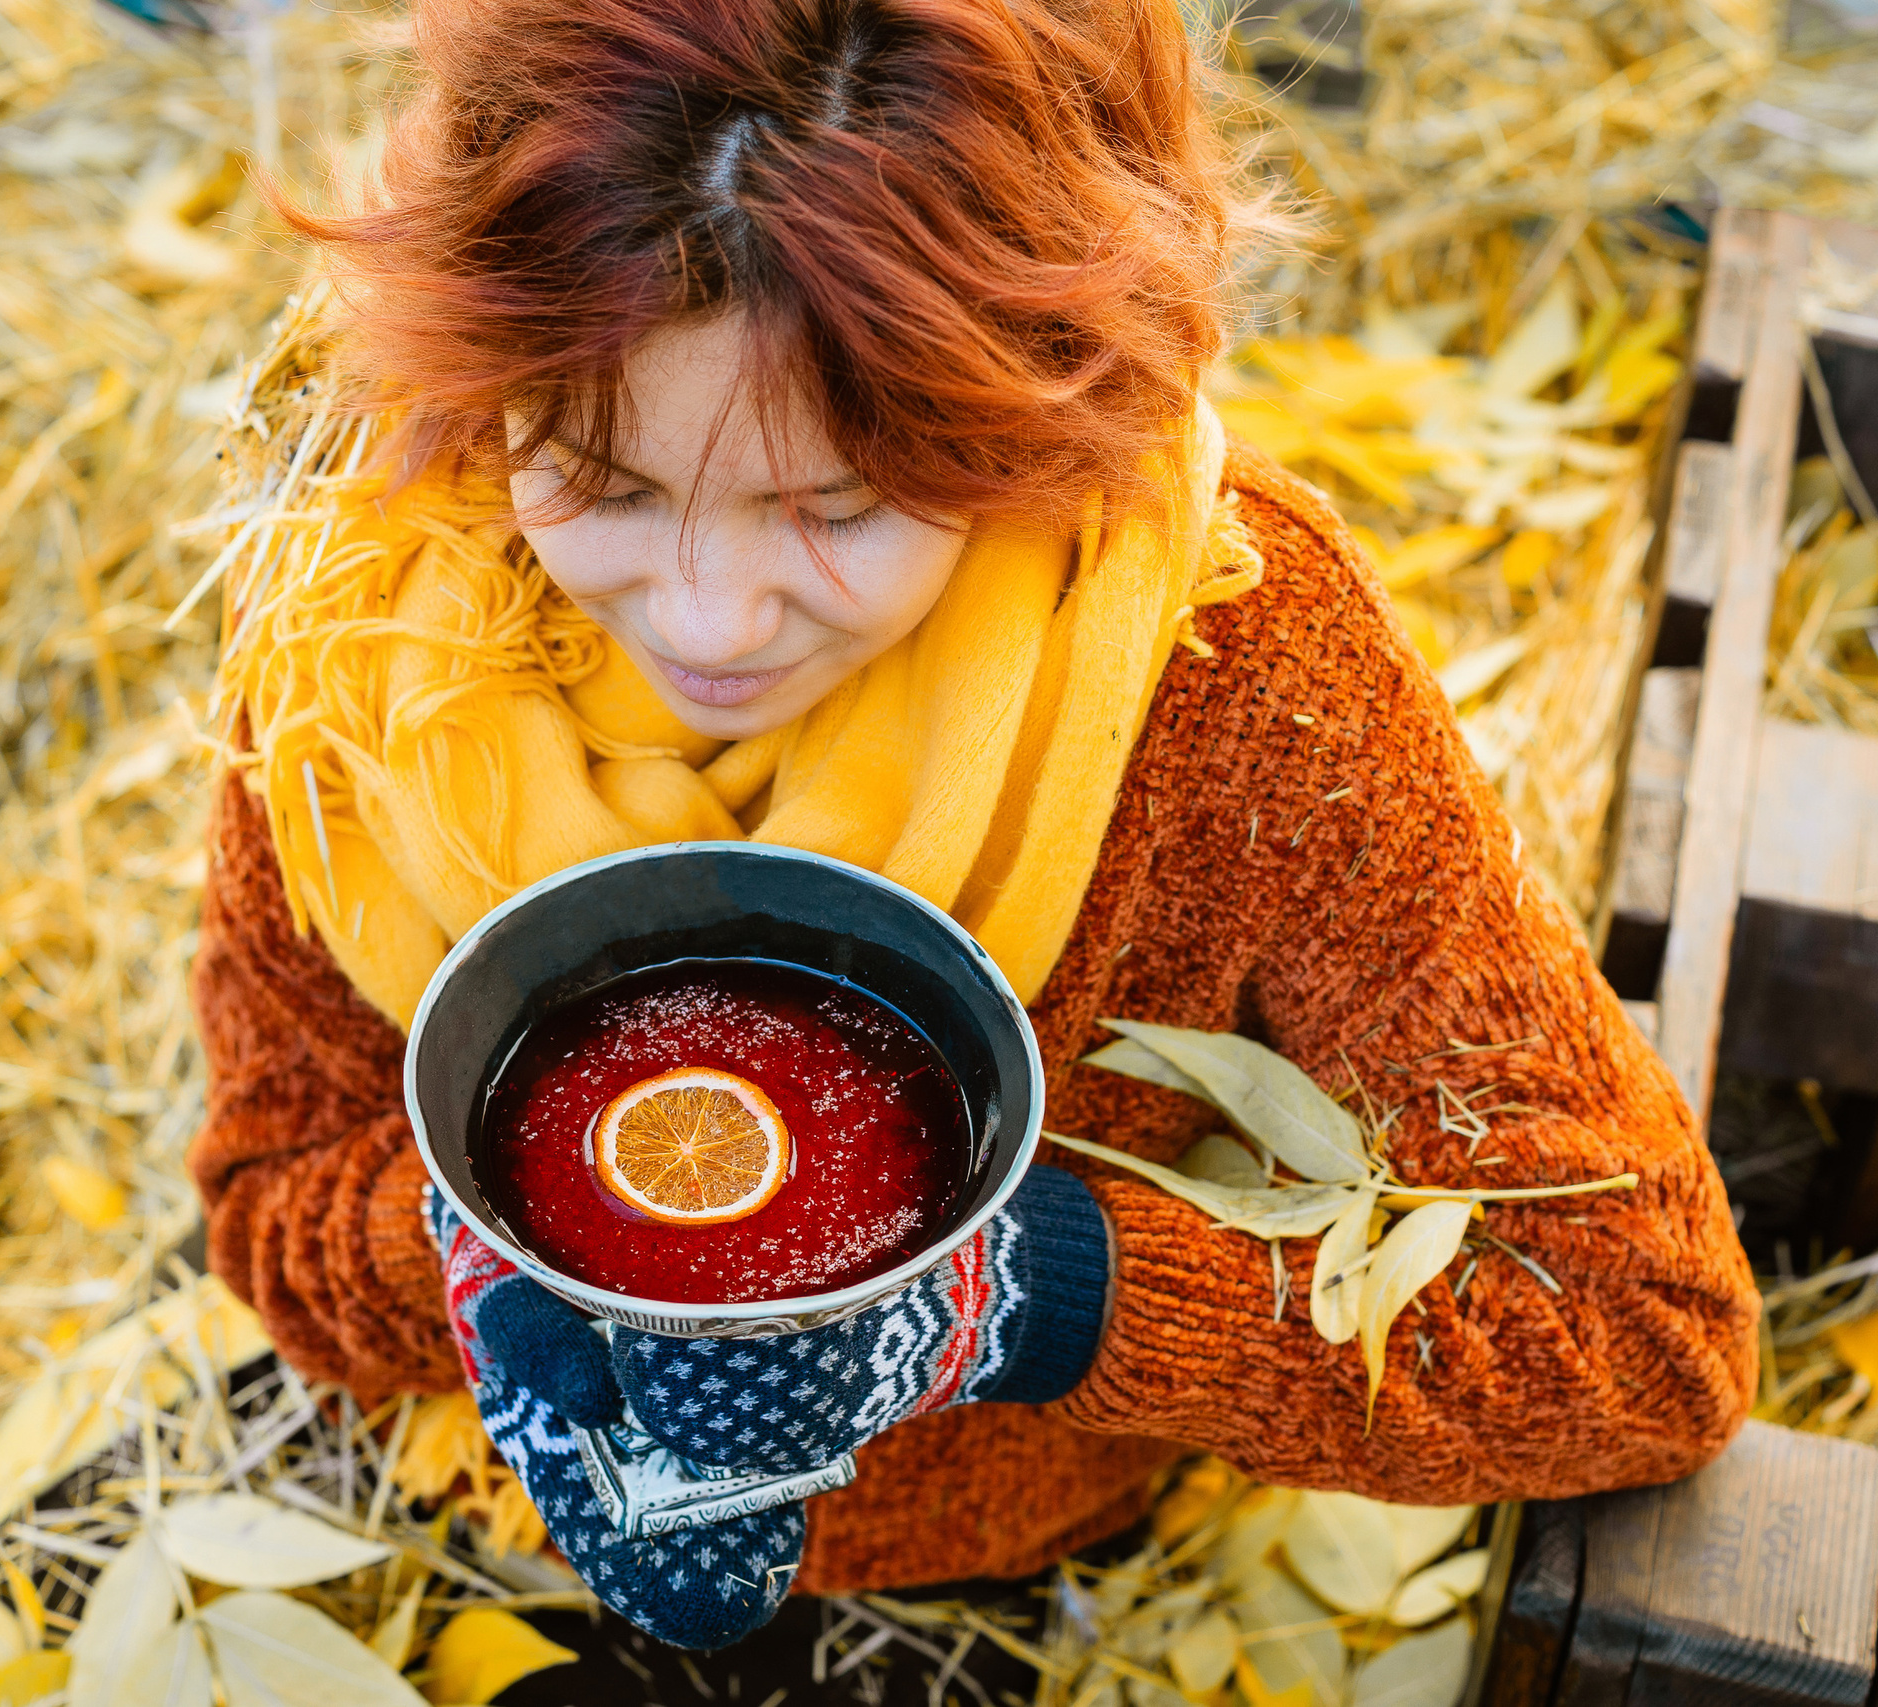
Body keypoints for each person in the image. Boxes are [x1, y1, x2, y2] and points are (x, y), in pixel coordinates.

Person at [188, 0, 1757, 1651]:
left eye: (836, 507)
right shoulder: (360, 609)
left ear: (1029, 399)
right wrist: (495, 1258)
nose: (711, 618)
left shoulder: (1230, 660)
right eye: (603, 479)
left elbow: (1644, 1333)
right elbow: (270, 1198)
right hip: (480, 1525)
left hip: (1002, 1584)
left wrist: (1030, 1297)